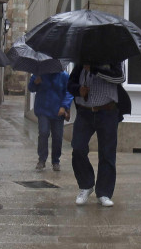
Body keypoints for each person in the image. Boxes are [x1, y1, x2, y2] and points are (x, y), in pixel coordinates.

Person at [68, 61, 131, 207]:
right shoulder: (82, 60)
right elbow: (70, 83)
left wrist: (95, 69)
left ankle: (104, 193)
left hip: (107, 111)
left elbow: (119, 78)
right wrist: (78, 90)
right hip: (84, 112)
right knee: (78, 148)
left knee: (107, 153)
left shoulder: (115, 58)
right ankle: (86, 185)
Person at [28, 70, 73, 171]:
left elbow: (69, 92)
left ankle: (56, 161)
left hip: (58, 111)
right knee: (43, 133)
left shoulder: (64, 76)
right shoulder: (39, 73)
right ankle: (42, 159)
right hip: (43, 109)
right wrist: (35, 82)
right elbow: (30, 88)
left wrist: (64, 106)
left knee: (57, 136)